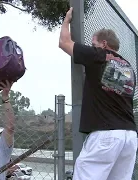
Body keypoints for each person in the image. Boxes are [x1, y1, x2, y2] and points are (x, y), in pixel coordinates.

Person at [58, 7, 137, 180]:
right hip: (129, 136)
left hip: (105, 134)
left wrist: (66, 20)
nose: (92, 47)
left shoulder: (99, 55)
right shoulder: (128, 68)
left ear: (104, 44)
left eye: (93, 44)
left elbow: (64, 42)